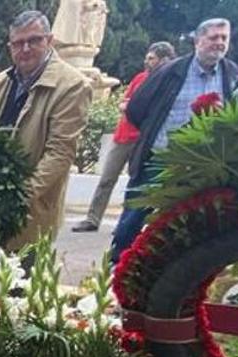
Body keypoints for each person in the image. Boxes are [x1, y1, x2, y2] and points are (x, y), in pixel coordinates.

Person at [110, 18, 238, 261]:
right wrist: (153, 136)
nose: (219, 43)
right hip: (159, 160)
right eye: (214, 37)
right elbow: (137, 108)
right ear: (198, 40)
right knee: (134, 217)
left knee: (187, 227)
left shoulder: (232, 75)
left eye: (224, 38)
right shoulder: (171, 71)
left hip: (201, 168)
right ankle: (115, 268)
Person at [0, 10, 91, 250]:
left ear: (49, 40)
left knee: (22, 279)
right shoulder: (0, 83)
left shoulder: (72, 86)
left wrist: (18, 197)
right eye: (18, 43)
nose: (25, 49)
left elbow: (60, 153)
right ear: (10, 46)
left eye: (34, 40)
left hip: (31, 206)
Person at [72, 41, 176, 233]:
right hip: (124, 136)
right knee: (106, 178)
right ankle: (93, 218)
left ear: (164, 60)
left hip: (144, 140)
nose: (147, 62)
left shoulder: (170, 83)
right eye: (147, 58)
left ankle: (125, 225)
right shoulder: (140, 78)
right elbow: (125, 103)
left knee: (135, 183)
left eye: (151, 59)